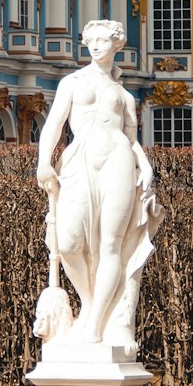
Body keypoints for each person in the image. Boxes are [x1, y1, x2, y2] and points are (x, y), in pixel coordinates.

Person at [35, 19, 162, 353]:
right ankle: (90, 303)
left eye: (103, 41)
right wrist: (43, 161)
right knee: (69, 240)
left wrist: (146, 166)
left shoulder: (124, 95)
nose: (95, 46)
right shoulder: (72, 82)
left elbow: (132, 140)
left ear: (115, 45)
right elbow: (53, 125)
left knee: (111, 245)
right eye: (90, 41)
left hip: (117, 162)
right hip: (79, 161)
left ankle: (94, 325)